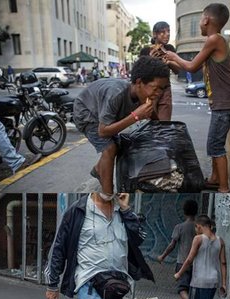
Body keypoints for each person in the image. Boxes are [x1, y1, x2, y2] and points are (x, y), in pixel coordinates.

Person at [162, 3, 230, 193]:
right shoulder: (215, 41)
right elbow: (191, 66)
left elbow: (189, 67)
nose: (199, 23)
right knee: (213, 143)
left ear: (206, 20)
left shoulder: (214, 40)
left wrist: (173, 54)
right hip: (224, 102)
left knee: (215, 146)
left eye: (200, 19)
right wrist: (170, 59)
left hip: (225, 103)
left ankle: (224, 188)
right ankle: (214, 179)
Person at [73, 55, 170, 199]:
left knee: (120, 144)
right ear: (139, 83)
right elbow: (103, 131)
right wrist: (135, 116)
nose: (159, 94)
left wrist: (163, 132)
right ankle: (108, 195)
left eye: (162, 89)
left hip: (104, 115)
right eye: (155, 89)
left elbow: (154, 117)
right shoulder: (116, 93)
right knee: (109, 148)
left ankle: (100, 169)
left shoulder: (142, 95)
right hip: (86, 112)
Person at [174, 214, 227, 299]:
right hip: (213, 281)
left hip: (199, 281)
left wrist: (179, 273)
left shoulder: (198, 239)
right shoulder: (220, 241)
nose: (196, 230)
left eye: (196, 227)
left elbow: (189, 259)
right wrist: (224, 283)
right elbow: (223, 263)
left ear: (199, 226)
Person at [158, 199, 199, 299]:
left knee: (182, 290)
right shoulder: (198, 227)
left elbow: (172, 245)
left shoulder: (180, 227)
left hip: (182, 263)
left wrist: (163, 256)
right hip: (196, 264)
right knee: (188, 291)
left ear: (184, 212)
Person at [139, 21, 181, 120]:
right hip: (149, 89)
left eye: (168, 31)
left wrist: (168, 62)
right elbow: (140, 72)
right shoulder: (146, 51)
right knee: (149, 120)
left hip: (165, 88)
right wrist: (150, 59)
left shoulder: (170, 49)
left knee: (164, 122)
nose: (167, 34)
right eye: (163, 32)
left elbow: (177, 70)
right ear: (154, 34)